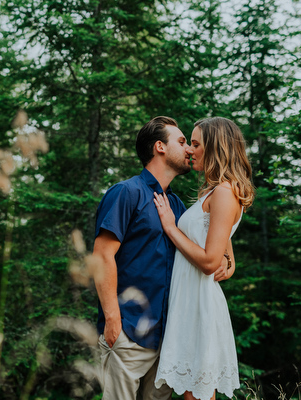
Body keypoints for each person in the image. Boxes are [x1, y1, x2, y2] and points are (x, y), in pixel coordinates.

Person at [92, 116, 233, 400]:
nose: (189, 150)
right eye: (182, 142)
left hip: (169, 338)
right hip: (128, 333)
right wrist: (112, 320)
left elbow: (212, 246)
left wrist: (228, 262)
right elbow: (102, 255)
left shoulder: (178, 205)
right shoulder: (126, 192)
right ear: (159, 147)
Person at [153, 117, 255, 400]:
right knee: (191, 393)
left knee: (196, 394)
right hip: (188, 299)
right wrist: (230, 260)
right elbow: (221, 247)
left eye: (196, 144)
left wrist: (171, 227)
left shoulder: (224, 192)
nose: (190, 150)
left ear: (215, 147)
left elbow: (210, 261)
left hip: (199, 302)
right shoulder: (214, 191)